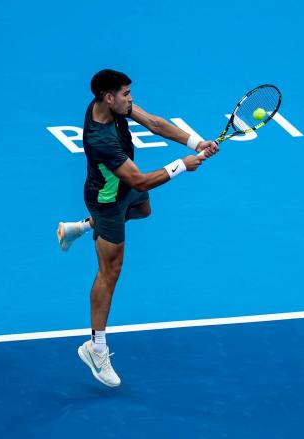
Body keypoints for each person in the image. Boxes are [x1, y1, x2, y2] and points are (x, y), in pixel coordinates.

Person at [56, 69, 219, 387]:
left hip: (123, 184)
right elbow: (141, 180)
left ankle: (82, 228)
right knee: (109, 271)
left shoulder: (111, 105)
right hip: (107, 199)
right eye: (125, 94)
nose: (130, 99)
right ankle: (95, 348)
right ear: (108, 97)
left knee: (143, 209)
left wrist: (197, 142)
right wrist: (181, 165)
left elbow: (155, 123)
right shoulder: (100, 139)